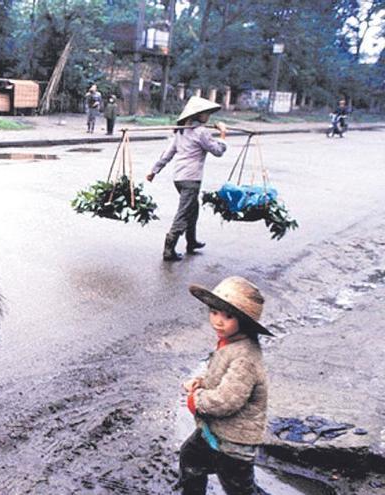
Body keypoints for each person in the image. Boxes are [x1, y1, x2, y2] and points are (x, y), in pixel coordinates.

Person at [179, 276, 272, 495]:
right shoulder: (230, 343)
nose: (218, 322)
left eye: (228, 316)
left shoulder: (245, 357)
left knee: (239, 488)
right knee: (190, 456)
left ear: (244, 322)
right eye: (214, 312)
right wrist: (200, 382)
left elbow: (226, 400)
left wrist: (196, 399)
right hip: (216, 432)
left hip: (234, 443)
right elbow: (221, 376)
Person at [146, 96, 227, 261]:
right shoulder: (201, 132)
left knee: (192, 209)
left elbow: (167, 155)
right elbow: (218, 151)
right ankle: (169, 248)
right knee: (183, 213)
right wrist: (223, 134)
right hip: (191, 179)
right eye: (206, 114)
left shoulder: (180, 132)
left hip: (179, 178)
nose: (208, 117)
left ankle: (191, 241)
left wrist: (154, 171)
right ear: (198, 115)